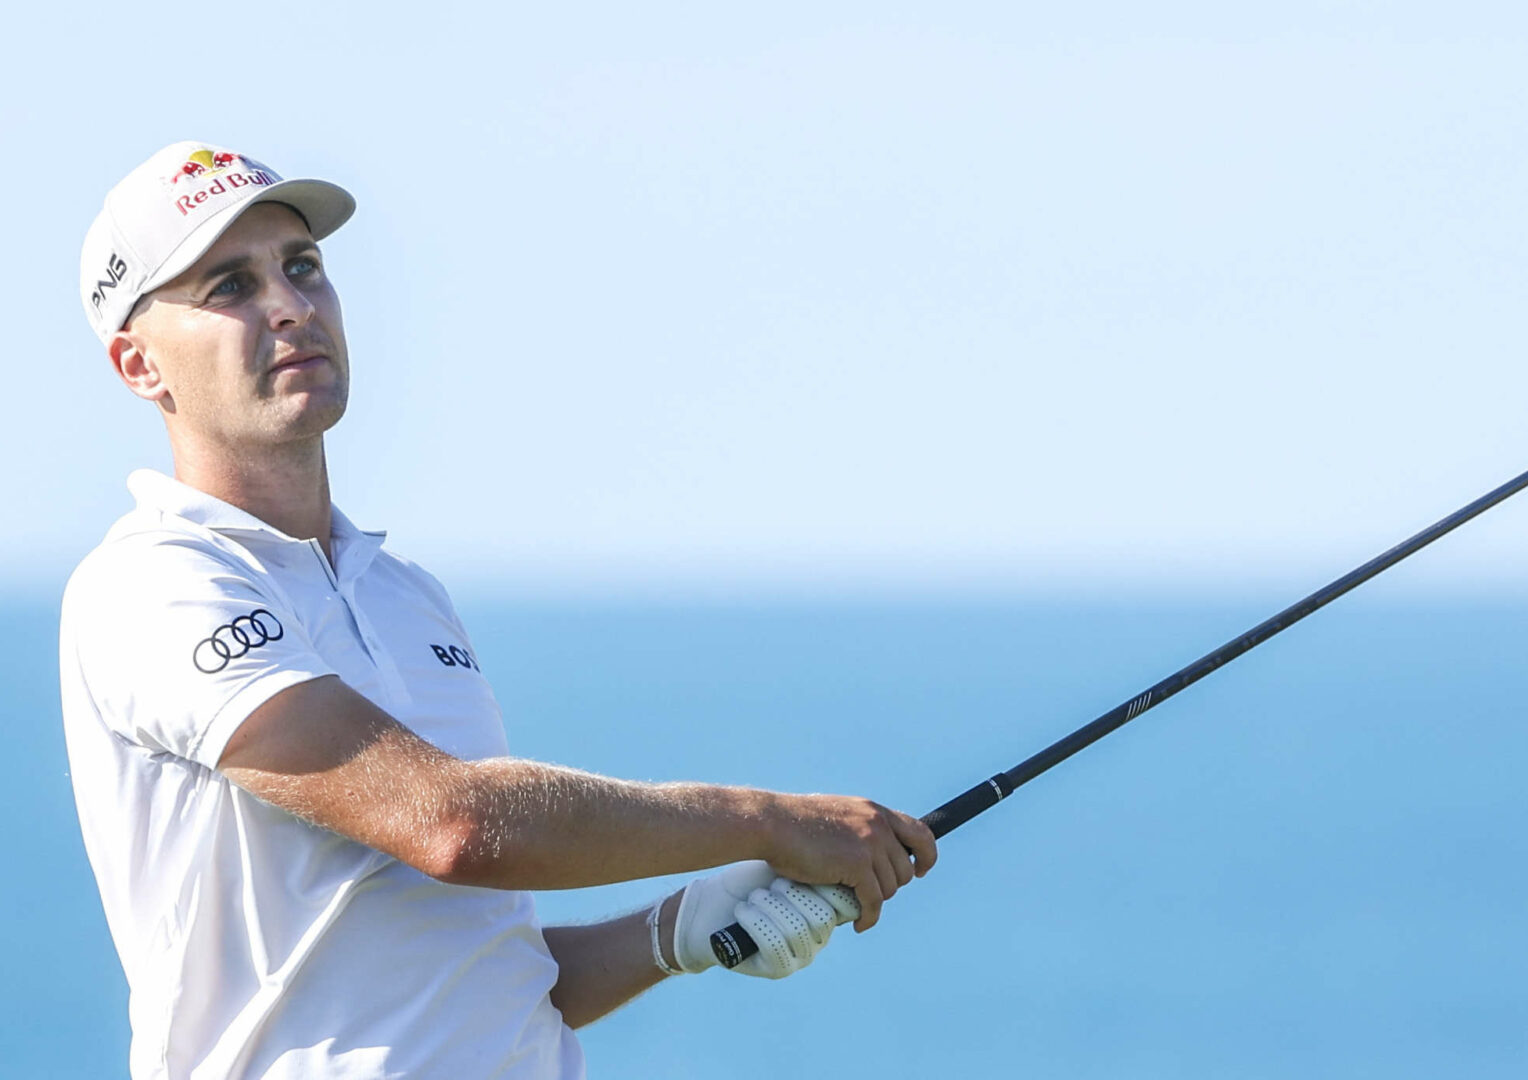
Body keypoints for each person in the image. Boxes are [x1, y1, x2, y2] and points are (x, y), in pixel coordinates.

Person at [60, 142, 937, 1079]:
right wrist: (765, 818)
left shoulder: (407, 597)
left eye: (303, 266)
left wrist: (676, 930)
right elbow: (454, 826)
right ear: (139, 366)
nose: (291, 304)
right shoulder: (155, 584)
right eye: (231, 286)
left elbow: (483, 979)